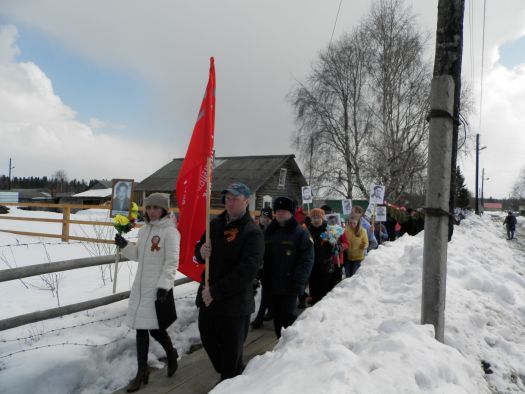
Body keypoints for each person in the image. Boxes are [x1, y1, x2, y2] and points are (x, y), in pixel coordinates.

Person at [194, 182, 264, 382]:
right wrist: (200, 252)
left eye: (235, 198)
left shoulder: (252, 232)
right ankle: (229, 373)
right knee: (208, 339)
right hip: (209, 299)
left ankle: (229, 380)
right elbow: (199, 249)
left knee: (231, 353)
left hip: (234, 304)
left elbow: (246, 272)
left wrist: (215, 291)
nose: (230, 202)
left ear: (246, 201)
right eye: (227, 198)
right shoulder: (215, 224)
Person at [114, 193, 179, 393]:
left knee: (156, 330)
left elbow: (171, 263)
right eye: (148, 208)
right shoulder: (144, 231)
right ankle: (142, 371)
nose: (151, 212)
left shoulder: (170, 232)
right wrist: (125, 246)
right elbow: (137, 256)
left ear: (164, 210)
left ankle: (171, 354)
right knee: (141, 329)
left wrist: (164, 286)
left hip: (156, 289)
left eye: (155, 208)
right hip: (141, 287)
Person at [263, 196, 314, 337]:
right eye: (278, 210)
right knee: (276, 318)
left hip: (290, 284)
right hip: (271, 284)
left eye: (284, 210)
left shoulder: (301, 233)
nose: (280, 213)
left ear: (291, 212)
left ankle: (290, 348)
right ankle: (279, 349)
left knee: (288, 318)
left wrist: (299, 281)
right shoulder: (269, 232)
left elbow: (307, 259)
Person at [307, 208, 348, 304]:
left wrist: (335, 244)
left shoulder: (329, 230)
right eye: (314, 217)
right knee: (313, 289)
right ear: (311, 219)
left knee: (324, 290)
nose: (316, 220)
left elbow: (337, 244)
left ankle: (322, 308)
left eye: (318, 217)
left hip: (325, 264)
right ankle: (313, 308)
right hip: (312, 265)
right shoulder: (307, 230)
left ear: (322, 218)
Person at [252, 207, 274, 329]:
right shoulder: (255, 229)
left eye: (267, 218)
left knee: (266, 291)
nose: (264, 220)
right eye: (262, 217)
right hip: (257, 265)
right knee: (266, 291)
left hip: (269, 265)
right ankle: (271, 311)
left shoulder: (273, 231)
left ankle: (259, 317)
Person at [344, 212, 368, 278]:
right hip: (348, 257)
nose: (352, 224)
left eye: (354, 223)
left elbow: (366, 243)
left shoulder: (362, 231)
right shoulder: (346, 230)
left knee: (353, 276)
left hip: (358, 258)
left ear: (357, 222)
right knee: (348, 276)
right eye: (350, 223)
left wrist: (364, 246)